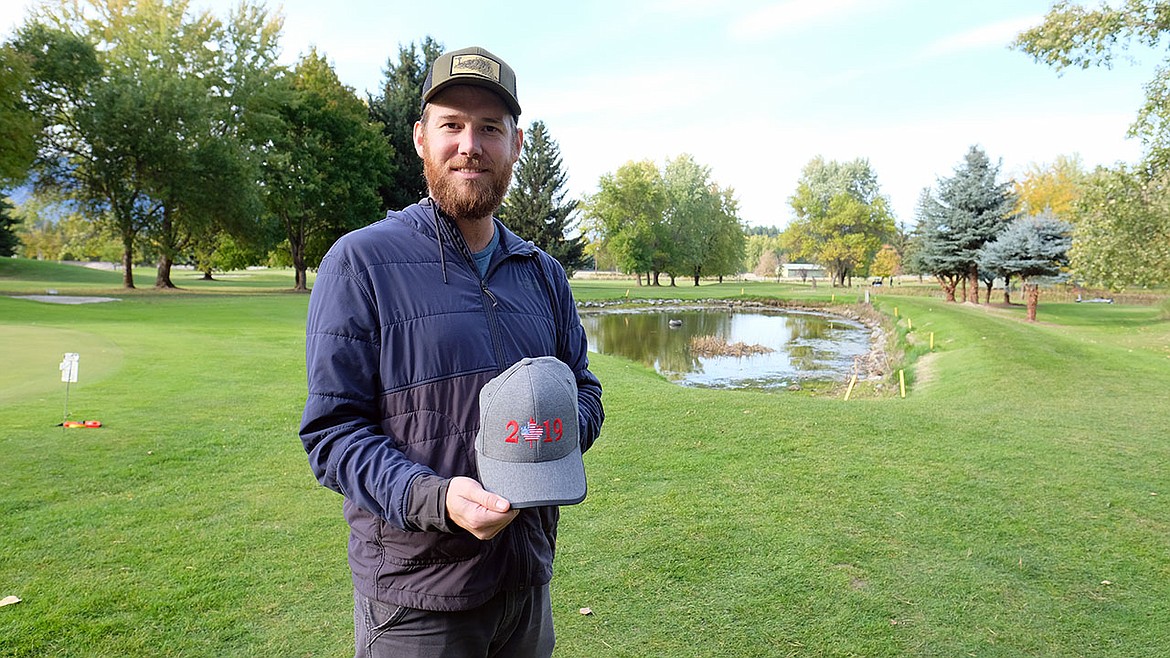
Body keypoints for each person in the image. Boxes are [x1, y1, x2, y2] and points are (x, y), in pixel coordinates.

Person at [299, 45, 604, 658]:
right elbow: (333, 434)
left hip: (525, 581)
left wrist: (549, 438)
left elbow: (586, 392)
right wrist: (436, 499)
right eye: (452, 125)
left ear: (515, 144)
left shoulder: (543, 274)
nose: (471, 144)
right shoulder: (360, 263)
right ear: (420, 138)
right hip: (416, 599)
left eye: (490, 128)